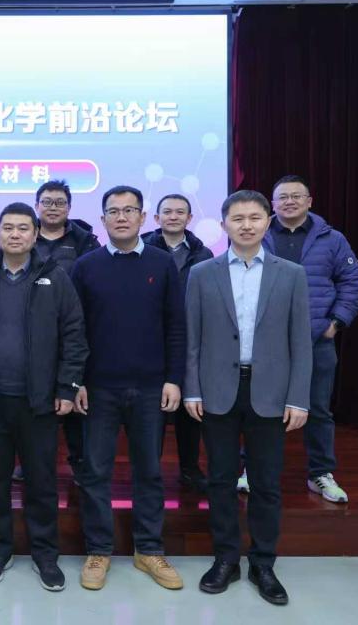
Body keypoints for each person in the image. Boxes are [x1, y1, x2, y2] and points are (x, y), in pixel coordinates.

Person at [184, 190, 312, 606]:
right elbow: (192, 338)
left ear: (267, 221)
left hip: (270, 391)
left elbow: (301, 342)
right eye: (237, 218)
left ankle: (263, 563)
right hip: (218, 390)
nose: (246, 225)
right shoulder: (202, 273)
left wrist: (299, 398)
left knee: (266, 483)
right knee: (220, 480)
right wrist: (192, 388)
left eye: (255, 217)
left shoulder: (291, 274)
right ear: (224, 224)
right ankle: (226, 558)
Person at [0, 202, 87, 591]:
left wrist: (66, 387)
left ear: (35, 234)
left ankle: (45, 554)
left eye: (22, 228)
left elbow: (74, 335)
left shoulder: (55, 277)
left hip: (39, 402)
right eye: (8, 228)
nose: (15, 234)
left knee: (41, 482)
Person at [73, 186, 186, 592]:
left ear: (142, 217)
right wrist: (76, 381)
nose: (121, 217)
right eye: (113, 211)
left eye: (129, 210)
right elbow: (74, 331)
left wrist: (174, 378)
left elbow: (176, 325)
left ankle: (149, 549)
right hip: (98, 388)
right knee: (95, 472)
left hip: (151, 387)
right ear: (102, 219)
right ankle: (98, 550)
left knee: (149, 472)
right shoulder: (85, 266)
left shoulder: (162, 263)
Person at [264, 175, 358, 503]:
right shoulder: (259, 233)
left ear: (309, 201)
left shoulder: (331, 239)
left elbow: (351, 280)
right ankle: (254, 469)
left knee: (318, 410)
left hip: (316, 340)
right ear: (273, 204)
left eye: (296, 196)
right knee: (261, 409)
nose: (289, 201)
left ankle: (320, 473)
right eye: (282, 197)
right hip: (265, 342)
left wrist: (336, 322)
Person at [141, 193, 214, 493]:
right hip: (150, 339)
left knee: (189, 407)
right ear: (156, 218)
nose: (173, 217)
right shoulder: (142, 249)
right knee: (153, 409)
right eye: (167, 212)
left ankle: (189, 467)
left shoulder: (203, 253)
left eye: (180, 212)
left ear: (189, 218)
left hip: (193, 339)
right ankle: (150, 468)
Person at [33, 179, 100, 482]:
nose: (53, 207)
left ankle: (79, 463)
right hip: (34, 332)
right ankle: (30, 462)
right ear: (37, 206)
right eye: (47, 202)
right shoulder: (25, 236)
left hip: (75, 330)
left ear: (69, 207)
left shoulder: (85, 241)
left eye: (59, 202)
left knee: (74, 397)